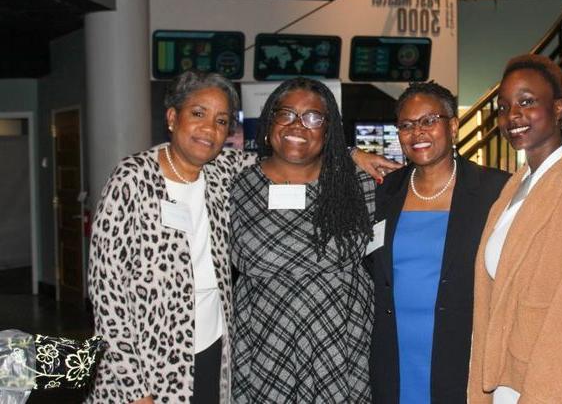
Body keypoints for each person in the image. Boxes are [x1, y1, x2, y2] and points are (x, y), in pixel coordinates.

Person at [87, 71, 397, 404]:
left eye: (221, 121)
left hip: (219, 345)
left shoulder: (223, 172)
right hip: (152, 353)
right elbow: (107, 294)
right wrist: (134, 386)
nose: (209, 128)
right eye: (198, 113)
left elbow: (294, 152)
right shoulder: (133, 179)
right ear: (172, 117)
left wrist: (351, 154)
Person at [468, 54, 562, 403]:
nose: (512, 116)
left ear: (559, 108)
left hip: (560, 391)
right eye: (503, 107)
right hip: (508, 385)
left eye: (526, 102)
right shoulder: (513, 190)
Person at [229, 77, 377, 403]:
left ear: (328, 130)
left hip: (340, 339)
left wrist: (351, 154)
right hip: (265, 339)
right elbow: (243, 256)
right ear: (271, 121)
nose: (299, 126)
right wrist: (323, 252)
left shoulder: (357, 184)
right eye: (287, 114)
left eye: (313, 117)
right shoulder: (240, 185)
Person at [369, 82, 509, 403]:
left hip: (463, 355)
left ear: (454, 126)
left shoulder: (493, 190)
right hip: (394, 355)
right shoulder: (385, 193)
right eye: (406, 125)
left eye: (429, 121)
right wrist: (353, 155)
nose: (417, 132)